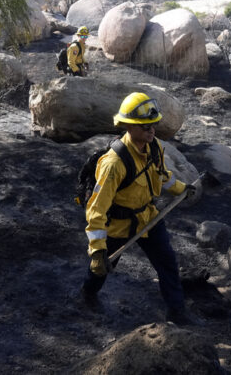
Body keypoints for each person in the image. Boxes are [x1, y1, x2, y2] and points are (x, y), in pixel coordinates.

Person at [81, 92, 198, 324]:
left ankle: (177, 312)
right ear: (128, 126)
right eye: (144, 127)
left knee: (167, 263)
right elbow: (96, 210)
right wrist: (96, 249)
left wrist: (181, 189)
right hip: (118, 226)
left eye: (152, 125)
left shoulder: (154, 148)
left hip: (148, 218)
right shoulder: (114, 164)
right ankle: (88, 294)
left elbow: (162, 176)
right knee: (101, 268)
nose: (151, 130)